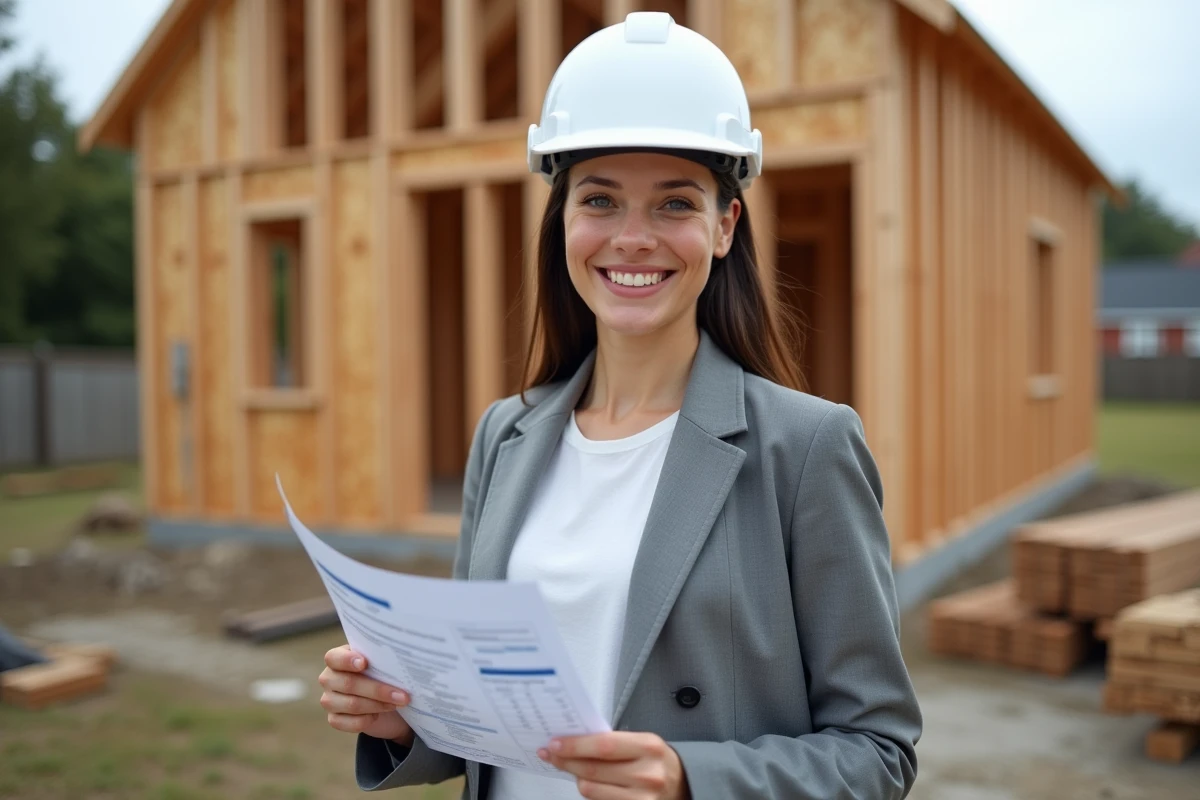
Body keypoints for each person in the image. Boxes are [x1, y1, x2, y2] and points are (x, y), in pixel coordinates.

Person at [318, 11, 921, 800]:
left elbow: (877, 751)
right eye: (600, 200)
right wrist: (402, 717)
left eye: (674, 204)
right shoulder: (505, 434)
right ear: (564, 221)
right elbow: (484, 714)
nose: (632, 237)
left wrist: (690, 781)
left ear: (725, 225)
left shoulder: (806, 448)